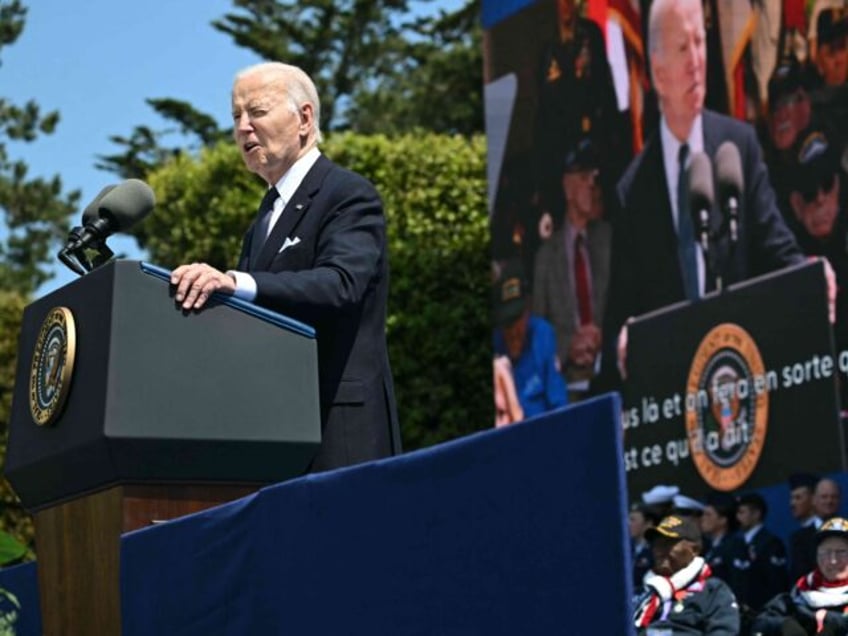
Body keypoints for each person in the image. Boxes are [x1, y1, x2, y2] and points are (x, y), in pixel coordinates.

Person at [169, 62, 400, 471]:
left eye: (256, 111)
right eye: (236, 116)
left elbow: (340, 284)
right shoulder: (261, 222)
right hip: (277, 433)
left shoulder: (347, 194)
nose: (243, 128)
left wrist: (235, 282)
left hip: (339, 427)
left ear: (304, 118)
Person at [600, 0, 812, 387]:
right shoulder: (633, 192)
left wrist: (813, 278)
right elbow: (621, 319)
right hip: (678, 390)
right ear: (658, 73)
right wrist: (624, 344)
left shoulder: (739, 148)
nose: (698, 60)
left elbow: (779, 253)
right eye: (683, 48)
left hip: (746, 375)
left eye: (700, 41)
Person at [532, 137, 611, 400]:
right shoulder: (546, 257)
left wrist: (601, 335)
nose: (592, 183)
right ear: (567, 187)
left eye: (594, 176)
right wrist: (569, 347)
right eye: (583, 176)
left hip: (609, 375)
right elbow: (538, 330)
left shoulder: (609, 240)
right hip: (568, 387)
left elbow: (624, 303)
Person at [633, 514, 740, 635]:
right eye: (657, 544)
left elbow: (724, 632)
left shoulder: (712, 590)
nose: (660, 551)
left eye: (668, 543)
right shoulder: (642, 593)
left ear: (694, 550)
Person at [492, 258, 568, 419]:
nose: (513, 332)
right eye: (507, 324)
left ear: (527, 312)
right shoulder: (495, 344)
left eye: (517, 320)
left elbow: (559, 405)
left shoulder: (543, 334)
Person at [752, 517, 848, 635]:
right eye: (826, 552)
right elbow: (761, 622)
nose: (833, 560)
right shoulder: (800, 592)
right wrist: (783, 624)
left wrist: (831, 620)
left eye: (842, 552)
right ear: (816, 556)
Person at [728, 492, 789, 618]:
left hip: (764, 613)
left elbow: (776, 583)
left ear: (756, 514)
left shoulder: (770, 543)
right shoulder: (738, 544)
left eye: (742, 512)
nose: (738, 518)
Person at [788, 473, 824, 582]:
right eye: (792, 498)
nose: (792, 503)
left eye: (798, 498)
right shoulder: (796, 537)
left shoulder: (823, 531)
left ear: (813, 499)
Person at [700, 491, 738, 585]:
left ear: (723, 520)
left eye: (708, 514)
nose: (702, 518)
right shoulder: (709, 546)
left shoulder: (734, 546)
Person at [629, 502, 661, 589]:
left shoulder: (657, 549)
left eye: (633, 520)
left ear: (648, 523)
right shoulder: (627, 548)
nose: (628, 524)